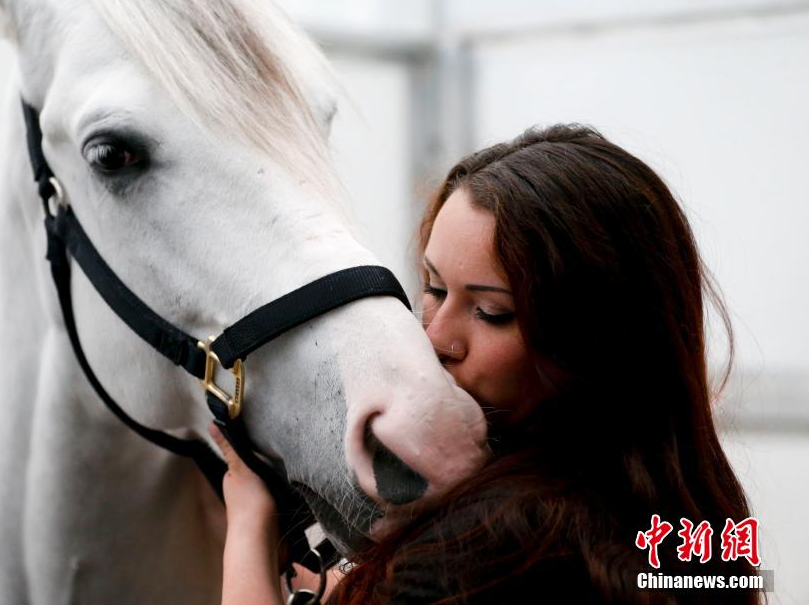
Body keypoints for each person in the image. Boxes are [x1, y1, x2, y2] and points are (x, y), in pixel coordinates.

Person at [210, 124, 762, 604]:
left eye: (492, 312)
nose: (436, 336)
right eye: (432, 287)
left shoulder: (492, 546)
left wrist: (250, 523)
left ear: (598, 339)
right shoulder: (684, 516)